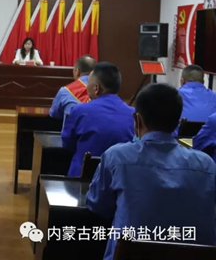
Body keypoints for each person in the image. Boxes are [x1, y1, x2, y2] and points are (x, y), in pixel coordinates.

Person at [87, 83, 216, 260]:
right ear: (178, 122)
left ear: (137, 120)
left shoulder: (116, 157)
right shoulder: (207, 165)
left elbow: (98, 206)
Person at [61, 62, 134, 177]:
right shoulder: (133, 114)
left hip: (82, 178)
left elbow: (67, 143)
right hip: (119, 178)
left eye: (88, 83)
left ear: (96, 88)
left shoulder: (79, 111)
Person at [49, 55, 96, 120]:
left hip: (73, 126)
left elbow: (54, 113)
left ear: (77, 72)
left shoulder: (65, 91)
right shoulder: (103, 90)